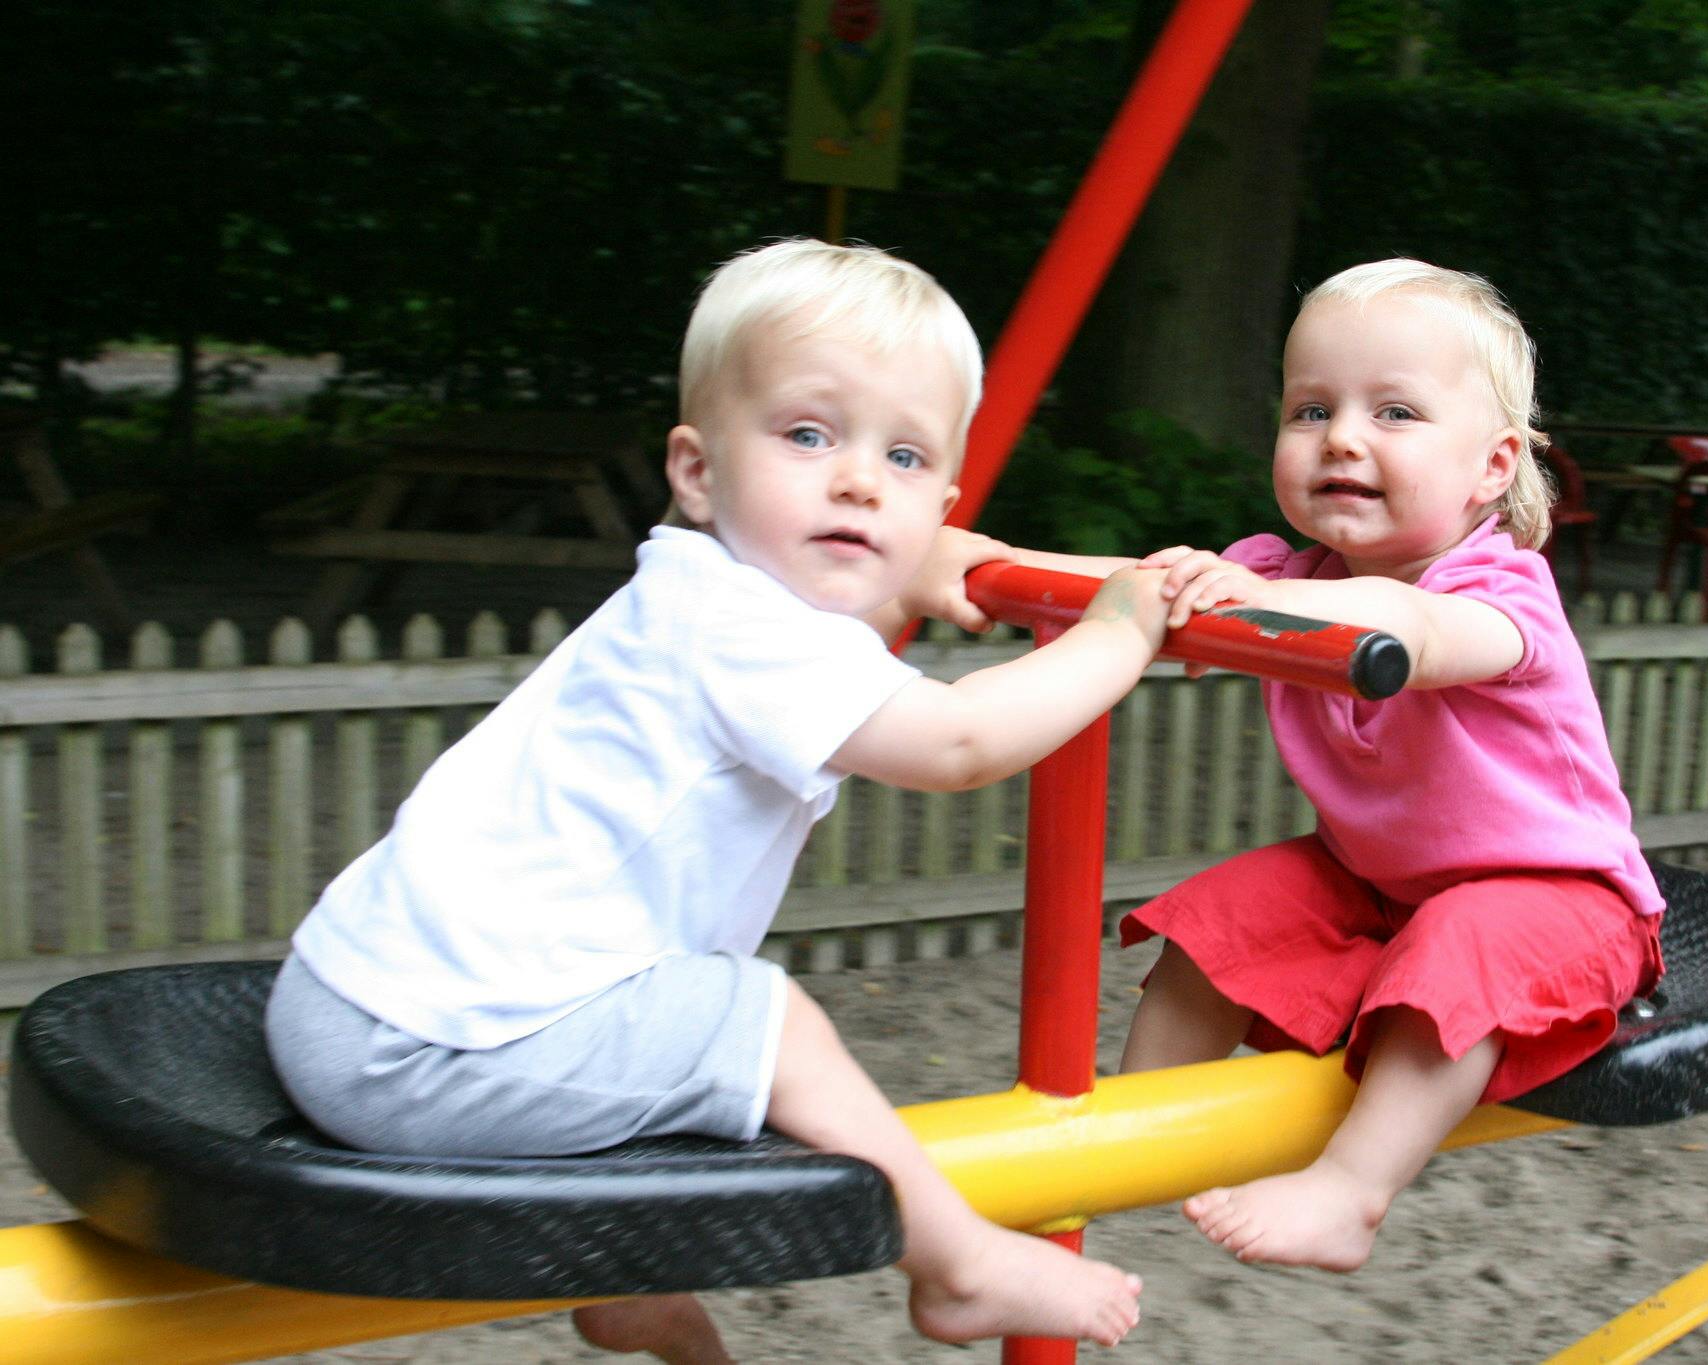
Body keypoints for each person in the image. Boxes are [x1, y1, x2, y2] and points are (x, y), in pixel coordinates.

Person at [264, 239, 1161, 1360]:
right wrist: (1120, 637)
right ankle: (957, 1267)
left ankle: (632, 1278)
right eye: (805, 435)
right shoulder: (744, 634)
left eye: (901, 456)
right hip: (424, 1052)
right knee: (759, 1024)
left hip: (359, 1001)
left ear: (939, 497)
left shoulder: (693, 592)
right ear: (695, 471)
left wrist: (922, 564)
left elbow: (849, 583)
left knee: (676, 1019)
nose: (854, 481)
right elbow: (961, 740)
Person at [1065, 258, 1666, 1274]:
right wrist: (971, 558)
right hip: (1376, 884)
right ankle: (1119, 1139)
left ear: (1489, 467)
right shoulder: (1281, 573)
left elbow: (1409, 630)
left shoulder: (1502, 595)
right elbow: (1131, 588)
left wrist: (1237, 602)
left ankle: (1351, 1191)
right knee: (1212, 919)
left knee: (1465, 940)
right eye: (1309, 410)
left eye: (1393, 412)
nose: (1340, 436)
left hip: (1562, 903)